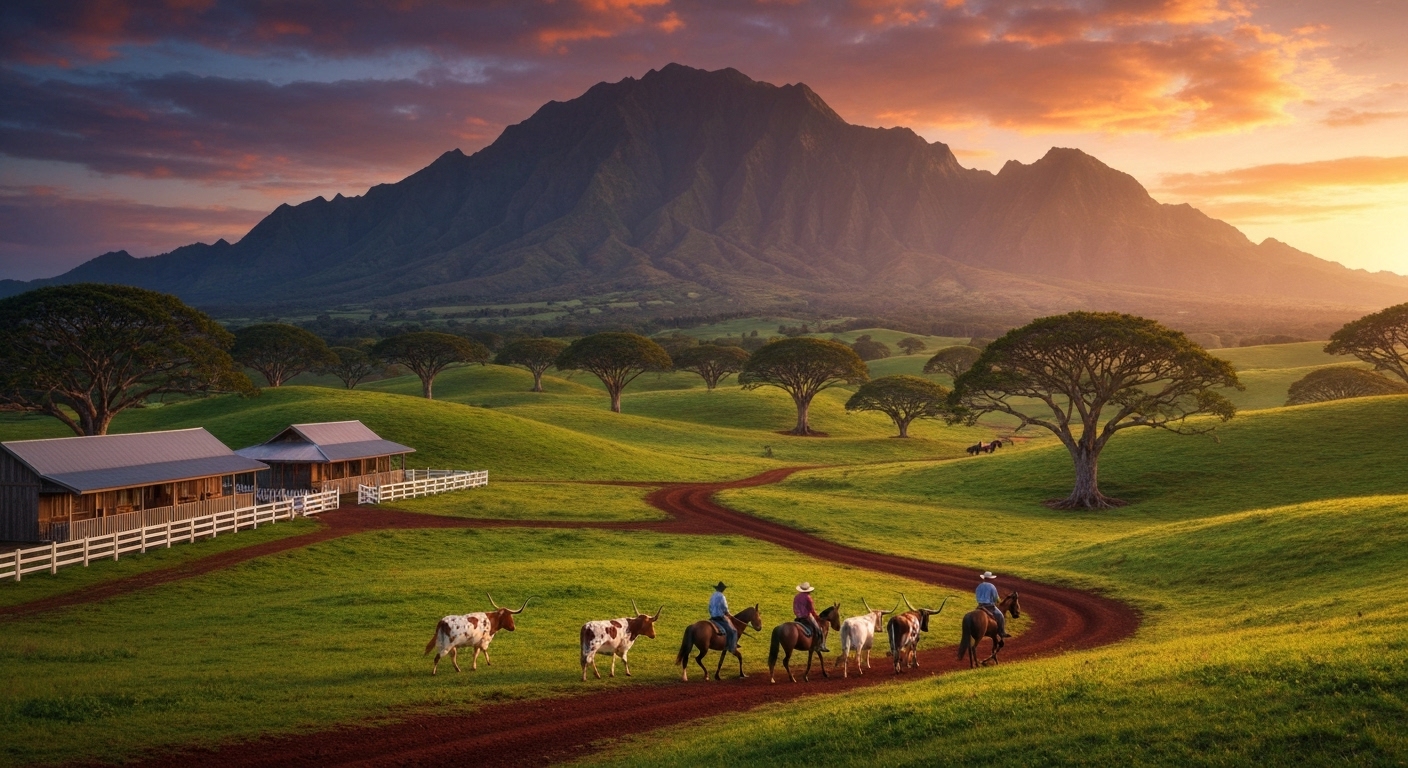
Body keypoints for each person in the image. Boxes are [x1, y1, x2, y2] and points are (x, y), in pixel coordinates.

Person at [792, 582, 829, 652]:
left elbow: (794, 608)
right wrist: (817, 616)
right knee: (819, 629)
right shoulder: (808, 598)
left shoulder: (796, 597)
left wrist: (798, 614)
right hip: (807, 617)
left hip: (798, 617)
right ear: (809, 591)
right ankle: (821, 646)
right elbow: (811, 610)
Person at [976, 571, 1009, 638]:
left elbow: (977, 596)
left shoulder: (979, 586)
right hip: (989, 606)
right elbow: (995, 598)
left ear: (984, 578)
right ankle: (1002, 632)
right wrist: (997, 601)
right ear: (990, 579)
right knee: (1001, 616)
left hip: (980, 606)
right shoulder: (992, 586)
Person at [709, 581, 739, 653]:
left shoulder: (712, 595)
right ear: (723, 589)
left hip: (713, 617)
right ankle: (732, 647)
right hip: (720, 617)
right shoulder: (722, 596)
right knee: (734, 631)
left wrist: (712, 614)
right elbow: (725, 607)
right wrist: (728, 613)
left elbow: (709, 607)